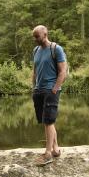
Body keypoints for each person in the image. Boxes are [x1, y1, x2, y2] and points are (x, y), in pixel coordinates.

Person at [31, 25, 68, 166]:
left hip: (51, 90)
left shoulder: (56, 49)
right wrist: (34, 87)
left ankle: (48, 153)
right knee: (46, 121)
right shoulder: (35, 50)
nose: (35, 39)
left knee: (49, 121)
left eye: (37, 36)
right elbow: (35, 71)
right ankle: (56, 149)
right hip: (39, 90)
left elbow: (63, 71)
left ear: (45, 34)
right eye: (34, 37)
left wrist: (55, 88)